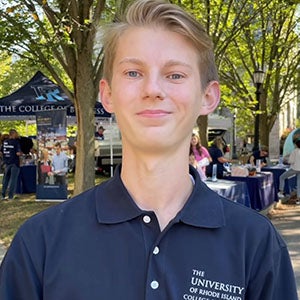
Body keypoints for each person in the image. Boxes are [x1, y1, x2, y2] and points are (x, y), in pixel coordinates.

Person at [0, 1, 298, 299]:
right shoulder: (40, 245)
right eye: (133, 72)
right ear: (107, 94)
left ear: (208, 97)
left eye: (175, 75)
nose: (153, 89)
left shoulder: (256, 245)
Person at [0, 129, 22, 200]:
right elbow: (18, 153)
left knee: (5, 180)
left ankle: (3, 195)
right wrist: (21, 154)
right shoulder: (16, 142)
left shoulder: (5, 142)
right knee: (13, 180)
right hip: (14, 163)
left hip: (7, 163)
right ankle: (10, 196)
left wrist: (4, 158)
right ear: (14, 134)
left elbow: (1, 152)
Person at [278, 137, 300, 204]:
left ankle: (281, 192)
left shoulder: (294, 151)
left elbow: (291, 161)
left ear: (296, 145)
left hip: (295, 168)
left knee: (282, 177)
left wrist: (286, 160)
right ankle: (298, 199)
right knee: (299, 183)